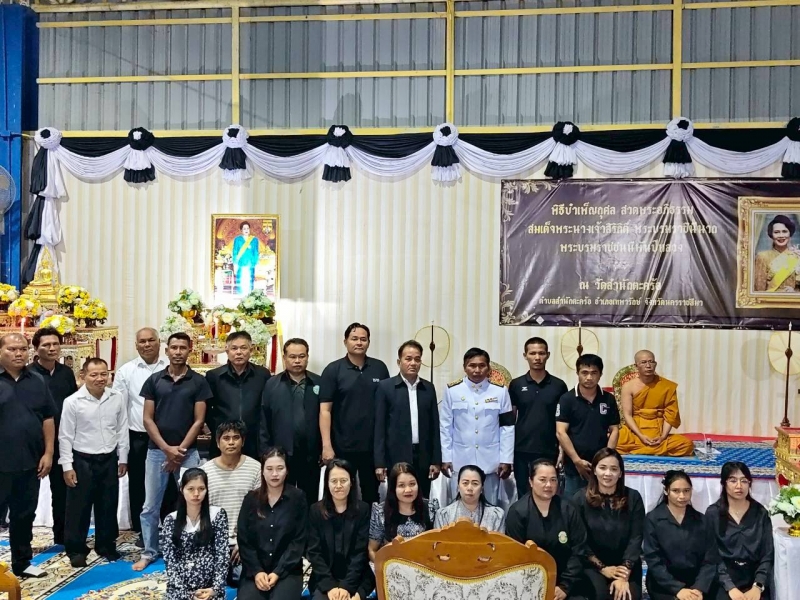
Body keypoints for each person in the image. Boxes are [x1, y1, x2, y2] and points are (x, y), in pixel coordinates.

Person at [133, 332, 212, 571]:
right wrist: (167, 450)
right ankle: (149, 551)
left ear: (190, 350)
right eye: (174, 347)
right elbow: (147, 419)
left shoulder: (199, 382)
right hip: (157, 451)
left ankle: (189, 550)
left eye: (182, 348)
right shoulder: (154, 380)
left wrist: (180, 451)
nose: (178, 352)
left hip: (189, 453)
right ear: (166, 350)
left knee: (193, 502)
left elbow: (199, 421)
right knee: (150, 506)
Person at [58, 358, 128, 567]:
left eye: (104, 374)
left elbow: (121, 429)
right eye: (94, 374)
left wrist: (123, 458)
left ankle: (106, 545)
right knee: (78, 506)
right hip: (82, 459)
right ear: (83, 376)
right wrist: (67, 466)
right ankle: (76, 549)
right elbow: (65, 436)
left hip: (109, 458)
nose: (100, 379)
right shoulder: (72, 401)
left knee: (108, 503)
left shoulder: (116, 397)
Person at [0, 333, 56, 578]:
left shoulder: (37, 380)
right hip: (1, 464)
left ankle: (22, 562)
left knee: (24, 515)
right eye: (12, 349)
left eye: (22, 349)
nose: (18, 353)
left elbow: (48, 418)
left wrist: (49, 452)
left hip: (30, 462)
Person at [320, 323, 390, 505]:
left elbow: (387, 408)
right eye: (354, 338)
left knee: (372, 495)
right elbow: (325, 410)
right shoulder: (333, 370)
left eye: (363, 339)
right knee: (342, 493)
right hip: (342, 447)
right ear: (345, 342)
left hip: (372, 448)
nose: (359, 342)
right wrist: (327, 446)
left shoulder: (379, 368)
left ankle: (371, 525)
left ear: (368, 342)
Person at [111, 326, 169, 540]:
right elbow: (119, 410)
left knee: (169, 486)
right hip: (138, 437)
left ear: (159, 343)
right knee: (139, 484)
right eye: (142, 341)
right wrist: (122, 450)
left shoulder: (170, 367)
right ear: (136, 346)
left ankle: (168, 527)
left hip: (168, 438)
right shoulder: (126, 371)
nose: (147, 345)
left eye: (151, 340)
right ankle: (141, 531)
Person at [440, 347, 514, 505]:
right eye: (472, 365)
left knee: (490, 506)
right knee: (459, 507)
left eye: (482, 366)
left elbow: (507, 428)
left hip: (490, 462)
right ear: (464, 367)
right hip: (460, 460)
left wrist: (506, 459)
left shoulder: (500, 391)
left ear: (488, 368)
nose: (477, 370)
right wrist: (446, 457)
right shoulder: (452, 390)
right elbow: (445, 426)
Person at [506, 459, 588, 600]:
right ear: (531, 481)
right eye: (542, 480)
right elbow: (515, 556)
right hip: (528, 583)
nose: (548, 485)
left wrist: (565, 586)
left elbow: (579, 550)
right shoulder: (518, 512)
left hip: (566, 582)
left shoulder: (568, 509)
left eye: (553, 480)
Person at [572, 448, 645, 600]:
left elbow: (636, 538)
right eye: (603, 468)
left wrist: (624, 573)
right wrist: (603, 568)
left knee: (627, 596)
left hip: (626, 564)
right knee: (601, 596)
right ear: (594, 470)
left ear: (620, 473)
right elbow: (580, 541)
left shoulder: (633, 497)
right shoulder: (579, 499)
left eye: (614, 469)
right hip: (592, 564)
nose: (608, 473)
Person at [237, 447, 308, 600]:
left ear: (287, 470)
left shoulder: (298, 498)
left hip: (288, 570)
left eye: (280, 468)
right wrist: (257, 571)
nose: (274, 474)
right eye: (269, 469)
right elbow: (244, 540)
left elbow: (298, 540)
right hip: (255, 570)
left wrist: (278, 572)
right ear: (262, 471)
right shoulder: (250, 499)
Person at [374, 340, 441, 500]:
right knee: (397, 498)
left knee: (422, 498)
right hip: (395, 455)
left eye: (417, 359)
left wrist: (436, 460)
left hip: (423, 456)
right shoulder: (385, 387)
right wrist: (379, 462)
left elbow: (434, 426)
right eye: (408, 359)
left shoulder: (428, 388)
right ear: (399, 362)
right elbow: (379, 427)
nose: (413, 363)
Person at [30, 327, 78, 547]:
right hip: (34, 443)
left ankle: (63, 535)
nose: (51, 348)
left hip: (62, 440)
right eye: (46, 345)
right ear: (36, 348)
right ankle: (23, 540)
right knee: (28, 494)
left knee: (63, 491)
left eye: (55, 344)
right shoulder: (28, 374)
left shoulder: (65, 373)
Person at [261, 338, 323, 506]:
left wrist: (324, 448)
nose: (297, 361)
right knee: (282, 498)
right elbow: (264, 420)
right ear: (284, 358)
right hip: (281, 454)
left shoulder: (319, 382)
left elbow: (327, 417)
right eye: (292, 357)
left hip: (311, 454)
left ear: (307, 357)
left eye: (301, 356)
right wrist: (266, 452)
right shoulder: (272, 384)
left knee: (309, 498)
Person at [200, 420, 261, 583]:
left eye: (236, 438)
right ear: (217, 443)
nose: (231, 442)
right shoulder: (205, 472)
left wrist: (244, 542)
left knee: (241, 578)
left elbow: (259, 512)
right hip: (213, 542)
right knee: (202, 579)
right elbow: (200, 512)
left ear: (243, 441)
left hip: (243, 542)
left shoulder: (256, 468)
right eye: (226, 438)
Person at [307, 459, 375, 600]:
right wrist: (330, 587)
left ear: (352, 482)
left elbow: (360, 553)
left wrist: (347, 587)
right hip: (324, 578)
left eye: (343, 481)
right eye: (334, 481)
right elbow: (314, 553)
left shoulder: (363, 509)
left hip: (357, 577)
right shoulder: (315, 511)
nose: (339, 486)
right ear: (327, 483)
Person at [509, 337, 568, 498]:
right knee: (524, 495)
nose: (537, 358)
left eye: (541, 353)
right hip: (522, 450)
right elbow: (510, 420)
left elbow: (563, 422)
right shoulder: (516, 385)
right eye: (532, 353)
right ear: (525, 355)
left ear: (548, 355)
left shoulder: (559, 385)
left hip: (549, 449)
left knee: (548, 493)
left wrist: (562, 450)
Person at [705, 462, 773, 600]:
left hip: (754, 577)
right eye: (733, 480)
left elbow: (767, 554)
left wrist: (757, 586)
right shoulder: (713, 513)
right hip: (723, 577)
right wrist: (730, 587)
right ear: (724, 483)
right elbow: (711, 556)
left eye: (744, 481)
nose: (739, 486)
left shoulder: (760, 513)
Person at [643, 470, 716, 600]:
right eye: (676, 491)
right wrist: (678, 589)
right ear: (666, 491)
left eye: (686, 491)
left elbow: (710, 559)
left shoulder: (702, 520)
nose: (682, 496)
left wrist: (699, 588)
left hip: (696, 582)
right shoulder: (653, 519)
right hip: (664, 584)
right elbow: (653, 559)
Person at [556, 354, 620, 497]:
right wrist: (576, 460)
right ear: (577, 373)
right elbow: (561, 432)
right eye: (584, 373)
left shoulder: (608, 399)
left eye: (594, 373)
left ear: (600, 374)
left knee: (600, 503)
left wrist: (606, 459)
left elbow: (614, 430)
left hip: (601, 467)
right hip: (574, 466)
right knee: (572, 505)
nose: (589, 377)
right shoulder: (567, 399)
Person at [161, 468, 229, 600]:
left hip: (209, 587)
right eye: (191, 489)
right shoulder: (171, 519)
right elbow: (170, 560)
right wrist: (187, 595)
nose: (196, 494)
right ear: (182, 490)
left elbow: (222, 555)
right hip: (180, 589)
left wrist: (215, 588)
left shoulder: (217, 515)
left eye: (201, 489)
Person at [206, 331, 271, 460]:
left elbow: (266, 406)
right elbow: (207, 408)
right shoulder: (214, 376)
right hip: (224, 439)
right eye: (234, 348)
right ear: (227, 351)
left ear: (251, 350)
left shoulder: (262, 375)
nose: (239, 352)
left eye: (243, 348)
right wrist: (217, 428)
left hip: (254, 439)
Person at [617, 350, 694, 457]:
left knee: (687, 444)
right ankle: (653, 449)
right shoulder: (628, 386)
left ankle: (644, 449)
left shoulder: (667, 386)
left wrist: (663, 437)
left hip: (658, 431)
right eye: (643, 362)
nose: (648, 366)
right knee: (614, 440)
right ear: (636, 366)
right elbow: (627, 415)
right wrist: (640, 435)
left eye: (651, 362)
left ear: (655, 364)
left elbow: (670, 416)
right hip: (635, 432)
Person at [368, 462, 438, 561]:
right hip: (392, 566)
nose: (408, 490)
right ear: (393, 488)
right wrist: (384, 568)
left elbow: (439, 546)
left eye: (412, 484)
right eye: (401, 485)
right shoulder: (380, 512)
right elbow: (372, 550)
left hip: (425, 565)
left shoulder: (431, 508)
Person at [433, 465, 505, 532]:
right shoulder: (444, 515)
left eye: (475, 483)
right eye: (465, 483)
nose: (469, 488)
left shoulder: (496, 515)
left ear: (482, 488)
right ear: (458, 487)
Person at [754, 214, 800, 292]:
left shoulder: (797, 256)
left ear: (790, 234)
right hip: (769, 299)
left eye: (784, 231)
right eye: (776, 232)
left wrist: (795, 292)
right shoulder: (762, 257)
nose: (781, 235)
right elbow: (759, 289)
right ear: (771, 235)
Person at [233, 221, 261, 296]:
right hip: (241, 264)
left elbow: (256, 252)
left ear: (249, 229)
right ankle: (241, 297)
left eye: (247, 228)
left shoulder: (254, 240)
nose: (246, 230)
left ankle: (249, 297)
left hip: (251, 264)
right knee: (241, 281)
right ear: (241, 230)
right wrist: (235, 264)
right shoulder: (237, 239)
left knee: (250, 282)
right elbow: (235, 252)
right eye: (244, 229)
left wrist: (256, 263)